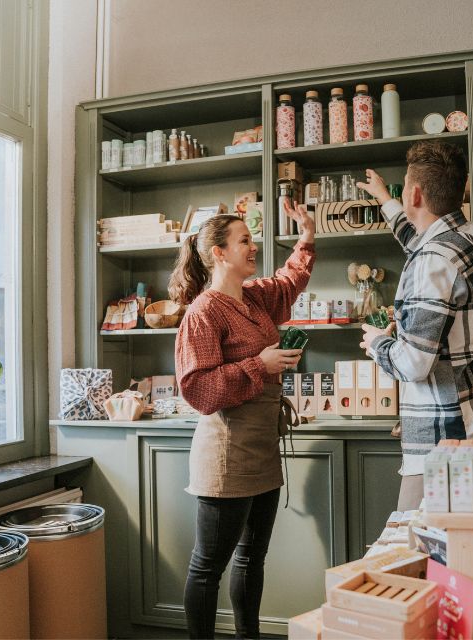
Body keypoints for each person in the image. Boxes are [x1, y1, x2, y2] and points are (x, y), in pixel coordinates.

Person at [169, 201, 315, 639]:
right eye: (245, 240)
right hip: (226, 454)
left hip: (262, 449)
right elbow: (199, 390)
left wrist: (306, 235)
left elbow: (289, 281)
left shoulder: (252, 298)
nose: (253, 247)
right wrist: (261, 365)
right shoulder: (204, 312)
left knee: (252, 558)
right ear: (218, 253)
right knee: (207, 567)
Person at [357, 140, 473, 510]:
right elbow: (418, 240)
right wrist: (383, 198)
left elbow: (412, 364)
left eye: (405, 184)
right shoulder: (472, 237)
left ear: (415, 193)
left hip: (442, 441)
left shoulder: (432, 261)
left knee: (412, 553)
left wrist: (377, 344)